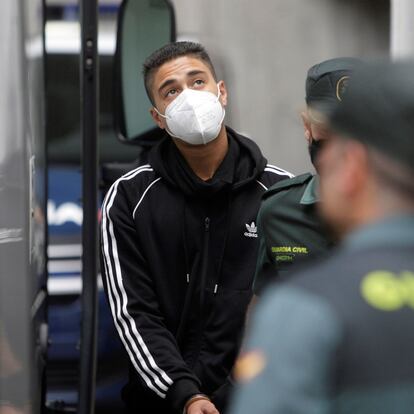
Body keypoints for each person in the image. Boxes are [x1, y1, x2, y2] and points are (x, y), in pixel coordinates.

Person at [100, 41, 292, 414]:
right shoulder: (128, 199)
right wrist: (186, 395)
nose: (188, 96)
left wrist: (235, 394)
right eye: (171, 90)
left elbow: (288, 312)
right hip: (161, 404)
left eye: (197, 81)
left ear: (221, 92)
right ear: (158, 117)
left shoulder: (279, 195)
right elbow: (134, 314)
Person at [229, 59, 414, 414]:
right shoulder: (277, 209)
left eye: (340, 146)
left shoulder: (303, 311)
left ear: (353, 165)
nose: (325, 158)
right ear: (307, 127)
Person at [254, 58, 360, 295]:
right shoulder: (279, 213)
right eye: (328, 127)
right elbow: (266, 305)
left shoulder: (402, 213)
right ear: (307, 126)